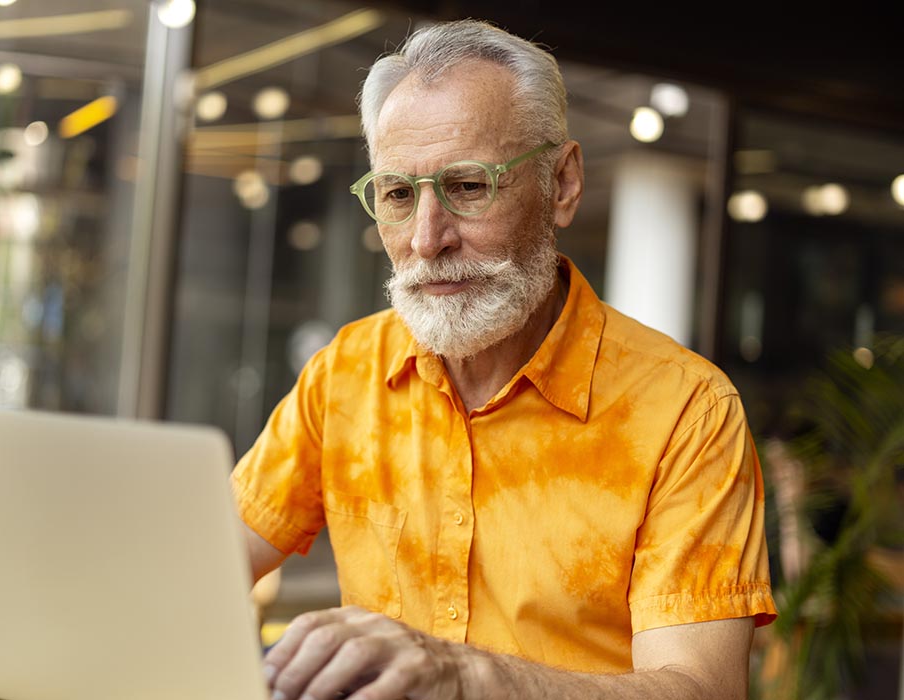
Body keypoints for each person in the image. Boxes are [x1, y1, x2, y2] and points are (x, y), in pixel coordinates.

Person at [231, 18, 777, 700]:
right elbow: (199, 567)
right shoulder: (345, 373)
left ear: (563, 183)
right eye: (398, 195)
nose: (428, 240)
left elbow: (703, 690)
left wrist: (465, 676)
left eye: (467, 186)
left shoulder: (686, 411)